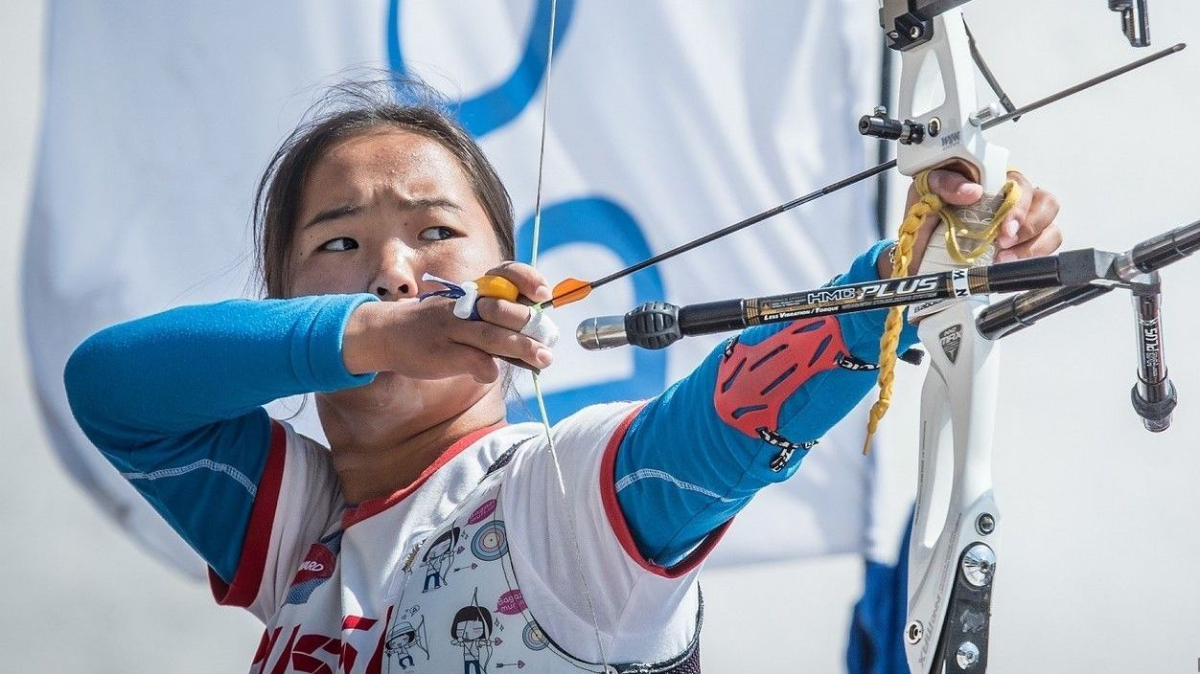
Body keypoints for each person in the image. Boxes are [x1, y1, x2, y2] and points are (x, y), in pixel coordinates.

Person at [64, 83, 1061, 672]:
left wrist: (904, 274)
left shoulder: (552, 498)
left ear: (510, 276)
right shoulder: (302, 524)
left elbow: (719, 423)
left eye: (437, 231)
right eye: (339, 241)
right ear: (293, 309)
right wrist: (372, 331)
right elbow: (109, 388)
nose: (397, 267)